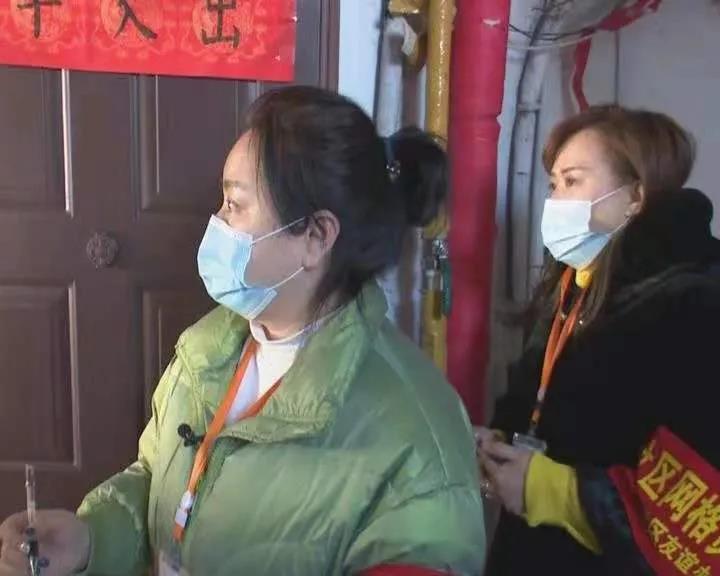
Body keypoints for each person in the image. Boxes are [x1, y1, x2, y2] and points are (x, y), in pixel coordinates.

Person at [0, 86, 485, 576]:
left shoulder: (417, 444)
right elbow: (159, 483)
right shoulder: (208, 351)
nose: (216, 222)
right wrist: (89, 539)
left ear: (316, 237)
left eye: (235, 204)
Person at [476, 105, 720, 575]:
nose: (554, 201)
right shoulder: (577, 283)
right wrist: (502, 441)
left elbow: (694, 501)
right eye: (553, 184)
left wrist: (555, 492)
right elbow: (544, 406)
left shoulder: (696, 307)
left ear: (635, 196)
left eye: (572, 181)